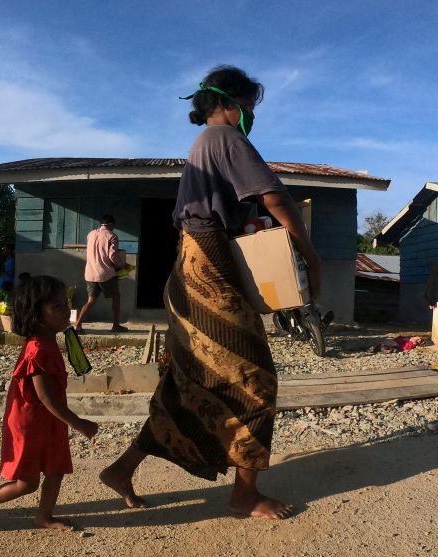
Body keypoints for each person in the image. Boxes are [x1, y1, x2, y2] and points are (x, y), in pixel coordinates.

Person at [99, 65, 321, 520]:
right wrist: (310, 256)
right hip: (209, 268)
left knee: (190, 383)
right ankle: (244, 495)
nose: (250, 116)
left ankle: (122, 469)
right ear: (227, 102)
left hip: (190, 266)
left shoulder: (202, 146)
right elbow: (275, 198)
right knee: (255, 380)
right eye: (249, 107)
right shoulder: (226, 138)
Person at [0, 275, 99, 530]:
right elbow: (44, 396)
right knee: (27, 483)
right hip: (30, 423)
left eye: (66, 304)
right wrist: (79, 423)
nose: (66, 311)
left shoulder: (49, 342)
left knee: (56, 468)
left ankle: (44, 516)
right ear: (37, 314)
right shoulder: (38, 349)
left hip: (50, 420)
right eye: (57, 307)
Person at [74, 214, 127, 334]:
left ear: (102, 223)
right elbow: (112, 256)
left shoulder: (91, 234)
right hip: (105, 274)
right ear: (111, 224)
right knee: (116, 298)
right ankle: (115, 325)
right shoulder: (112, 236)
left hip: (90, 273)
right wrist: (121, 265)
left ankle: (78, 324)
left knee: (91, 301)